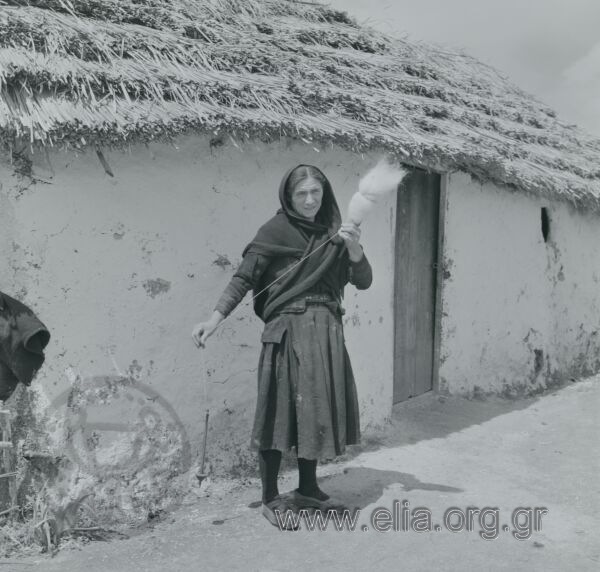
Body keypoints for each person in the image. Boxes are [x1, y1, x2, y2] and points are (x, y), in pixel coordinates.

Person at [192, 165, 372, 527]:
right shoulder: (274, 232)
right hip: (287, 331)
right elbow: (244, 278)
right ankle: (270, 496)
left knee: (315, 410)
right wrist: (213, 319)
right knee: (278, 411)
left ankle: (308, 487)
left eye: (315, 193)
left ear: (325, 194)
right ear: (288, 197)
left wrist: (354, 249)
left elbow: (364, 281)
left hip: (325, 332)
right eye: (301, 193)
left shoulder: (335, 233)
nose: (309, 200)